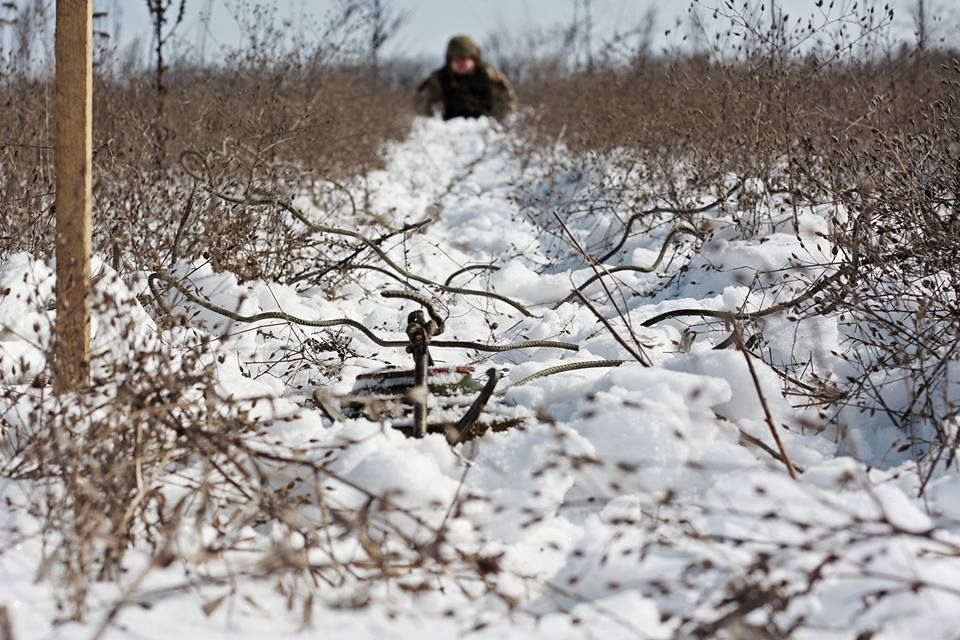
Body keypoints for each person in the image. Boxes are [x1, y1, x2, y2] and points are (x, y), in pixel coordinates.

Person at [415, 35, 517, 121]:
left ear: (474, 58)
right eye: (457, 59)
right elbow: (422, 104)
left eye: (464, 59)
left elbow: (508, 102)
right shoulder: (439, 78)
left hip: (485, 127)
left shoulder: (489, 76)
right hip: (448, 129)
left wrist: (494, 120)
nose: (461, 63)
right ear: (450, 59)